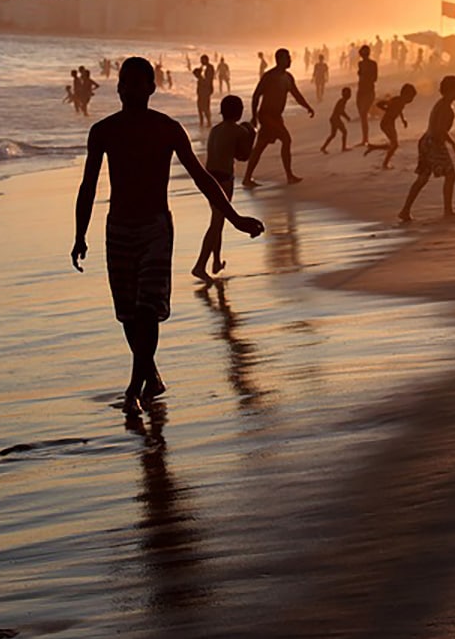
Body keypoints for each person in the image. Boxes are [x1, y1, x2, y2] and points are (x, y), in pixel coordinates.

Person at [72, 58, 264, 413]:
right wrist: (79, 235)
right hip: (117, 228)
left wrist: (235, 218)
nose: (129, 89)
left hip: (155, 228)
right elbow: (87, 186)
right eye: (124, 83)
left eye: (137, 83)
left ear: (151, 87)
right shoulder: (103, 131)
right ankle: (152, 376)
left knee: (147, 310)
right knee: (128, 314)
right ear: (118, 88)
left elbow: (202, 178)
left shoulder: (167, 129)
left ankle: (133, 387)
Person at [195, 95, 255, 282]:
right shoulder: (238, 131)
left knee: (218, 219)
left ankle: (216, 261)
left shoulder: (215, 129)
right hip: (223, 179)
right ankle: (199, 266)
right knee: (216, 223)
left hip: (208, 177)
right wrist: (251, 134)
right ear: (238, 112)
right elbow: (243, 156)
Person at [243, 48, 315, 187]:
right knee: (286, 139)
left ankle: (247, 178)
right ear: (279, 59)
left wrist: (307, 106)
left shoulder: (288, 77)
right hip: (266, 115)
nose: (290, 60)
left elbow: (296, 94)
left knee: (260, 146)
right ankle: (289, 176)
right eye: (287, 58)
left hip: (276, 116)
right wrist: (254, 116)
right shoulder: (269, 76)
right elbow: (256, 95)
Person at [398, 76, 455, 221]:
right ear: (451, 91)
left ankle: (405, 210)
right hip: (433, 143)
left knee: (422, 178)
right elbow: (440, 130)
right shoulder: (445, 107)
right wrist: (449, 144)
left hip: (426, 142)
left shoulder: (441, 104)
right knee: (451, 175)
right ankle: (448, 211)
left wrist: (450, 143)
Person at [366, 83, 416, 169]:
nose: (411, 100)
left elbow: (399, 110)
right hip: (386, 124)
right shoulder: (396, 100)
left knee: (394, 144)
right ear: (405, 94)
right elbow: (379, 104)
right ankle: (385, 164)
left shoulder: (401, 102)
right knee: (395, 145)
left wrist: (403, 120)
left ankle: (374, 147)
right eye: (410, 98)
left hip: (390, 124)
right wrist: (387, 109)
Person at [355, 44, 379, 148]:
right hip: (360, 90)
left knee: (364, 113)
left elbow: (374, 78)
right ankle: (364, 138)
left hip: (369, 91)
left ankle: (365, 139)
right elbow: (360, 75)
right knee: (362, 115)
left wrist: (366, 77)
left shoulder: (373, 64)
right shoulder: (360, 64)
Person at [320, 87, 353, 153]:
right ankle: (343, 147)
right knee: (344, 132)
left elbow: (341, 111)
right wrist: (347, 117)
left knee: (333, 135)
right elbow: (340, 111)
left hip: (333, 119)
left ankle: (323, 147)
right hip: (335, 119)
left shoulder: (342, 101)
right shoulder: (342, 101)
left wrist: (346, 117)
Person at [192, 55, 217, 129]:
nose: (201, 62)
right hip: (202, 90)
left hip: (205, 90)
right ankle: (202, 122)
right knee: (200, 106)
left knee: (205, 106)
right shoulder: (203, 67)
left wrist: (199, 76)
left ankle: (208, 122)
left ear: (206, 60)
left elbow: (208, 80)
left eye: (202, 60)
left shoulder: (209, 68)